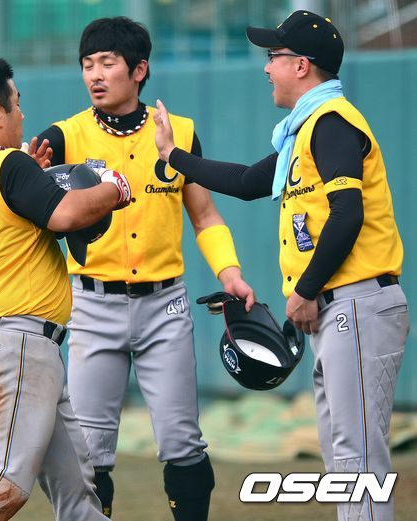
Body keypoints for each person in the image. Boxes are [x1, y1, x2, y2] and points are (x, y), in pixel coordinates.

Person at [154, 10, 409, 521]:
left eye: (273, 56)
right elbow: (248, 181)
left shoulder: (331, 122)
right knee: (345, 459)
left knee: (358, 460)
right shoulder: (305, 131)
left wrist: (307, 289)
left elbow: (348, 214)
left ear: (302, 65)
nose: (266, 67)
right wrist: (173, 156)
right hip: (341, 307)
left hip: (356, 303)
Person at [37, 16, 254, 521]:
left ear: (139, 70)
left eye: (107, 63)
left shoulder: (179, 133)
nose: (95, 74)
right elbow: (30, 205)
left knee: (183, 445)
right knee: (89, 456)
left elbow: (205, 217)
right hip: (92, 306)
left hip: (165, 307)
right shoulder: (63, 136)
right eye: (87, 64)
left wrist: (230, 273)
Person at [0, 55, 131, 521]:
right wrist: (114, 187)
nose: (22, 114)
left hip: (5, 344)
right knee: (4, 483)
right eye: (16, 103)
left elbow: (10, 230)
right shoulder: (9, 166)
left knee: (78, 495)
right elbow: (67, 215)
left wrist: (31, 180)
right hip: (18, 346)